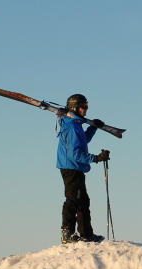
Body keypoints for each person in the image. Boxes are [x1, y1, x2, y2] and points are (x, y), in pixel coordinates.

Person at [56, 93, 110, 244]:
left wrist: (93, 128)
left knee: (83, 201)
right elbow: (75, 154)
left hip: (76, 167)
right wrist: (96, 158)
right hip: (70, 167)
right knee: (73, 199)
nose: (85, 110)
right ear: (75, 108)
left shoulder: (76, 124)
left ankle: (86, 234)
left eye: (87, 106)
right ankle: (67, 233)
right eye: (83, 107)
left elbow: (83, 140)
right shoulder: (72, 126)